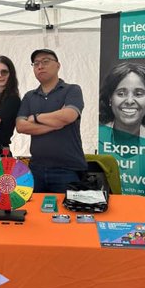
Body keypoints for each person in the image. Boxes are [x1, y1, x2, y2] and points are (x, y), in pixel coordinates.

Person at [15, 49, 86, 195]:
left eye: (45, 61)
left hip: (67, 169)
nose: (40, 66)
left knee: (68, 215)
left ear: (58, 65)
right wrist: (56, 123)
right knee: (33, 215)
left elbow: (68, 116)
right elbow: (21, 126)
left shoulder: (72, 90)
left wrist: (36, 118)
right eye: (36, 63)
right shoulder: (29, 96)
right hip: (36, 169)